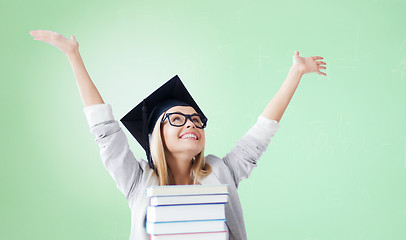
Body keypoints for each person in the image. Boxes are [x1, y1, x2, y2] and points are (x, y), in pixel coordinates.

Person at [30, 29, 327, 240]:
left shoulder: (221, 172)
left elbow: (260, 134)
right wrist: (73, 56)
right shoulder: (138, 181)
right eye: (178, 119)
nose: (192, 124)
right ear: (157, 133)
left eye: (197, 120)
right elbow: (105, 131)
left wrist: (295, 74)